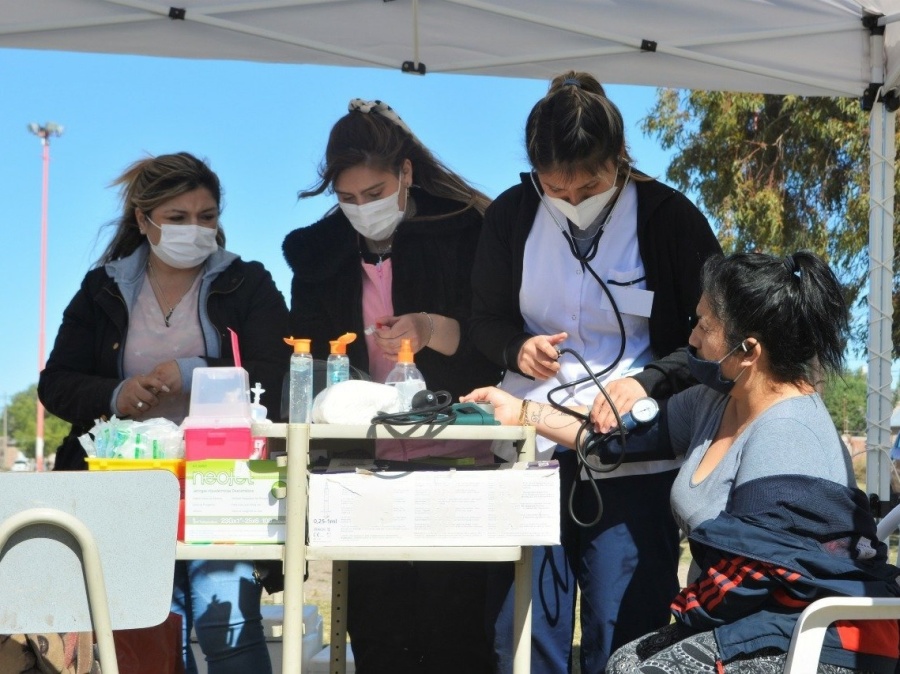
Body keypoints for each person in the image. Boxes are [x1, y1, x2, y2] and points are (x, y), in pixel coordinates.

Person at [465, 250, 900, 673]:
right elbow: (613, 442)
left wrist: (679, 612)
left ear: (748, 351)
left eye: (705, 326)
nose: (691, 338)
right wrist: (522, 412)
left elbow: (759, 577)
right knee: (625, 662)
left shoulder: (790, 433)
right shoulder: (714, 403)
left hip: (813, 640)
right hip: (757, 622)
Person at [468, 70, 722, 672]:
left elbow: (717, 339)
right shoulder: (509, 216)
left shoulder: (669, 217)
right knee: (524, 633)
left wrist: (649, 379)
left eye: (590, 185)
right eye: (555, 187)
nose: (573, 200)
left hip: (635, 458)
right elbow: (481, 318)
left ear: (620, 160)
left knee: (625, 628)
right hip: (530, 455)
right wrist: (515, 348)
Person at [38, 152, 290, 674]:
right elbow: (56, 384)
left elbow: (278, 371)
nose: (195, 229)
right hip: (125, 487)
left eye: (207, 217)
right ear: (143, 221)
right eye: (177, 218)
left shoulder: (249, 282)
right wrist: (116, 395)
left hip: (222, 483)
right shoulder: (101, 288)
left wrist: (196, 370)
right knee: (150, 636)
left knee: (229, 627)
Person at [282, 99, 503, 674]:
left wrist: (430, 329)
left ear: (406, 174)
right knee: (379, 629)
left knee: (456, 628)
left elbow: (491, 341)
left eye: (375, 192)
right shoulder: (318, 256)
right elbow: (307, 355)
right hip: (363, 463)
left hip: (456, 457)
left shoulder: (464, 232)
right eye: (349, 199)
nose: (363, 209)